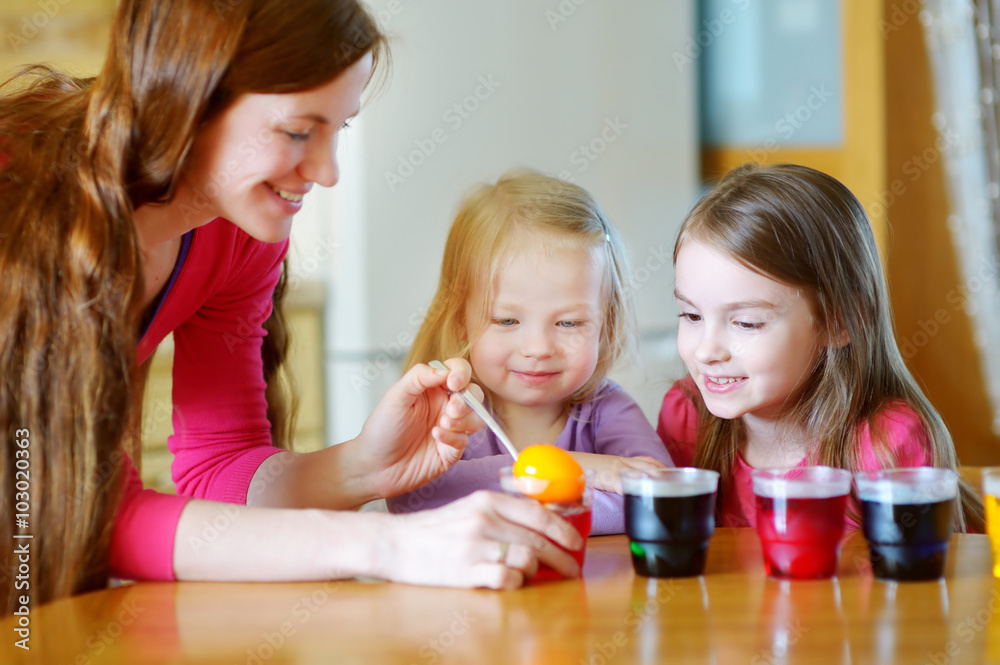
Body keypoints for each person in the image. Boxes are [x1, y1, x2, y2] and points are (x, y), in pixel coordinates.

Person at [0, 0, 583, 613]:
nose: (327, 172)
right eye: (299, 132)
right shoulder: (25, 197)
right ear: (192, 91)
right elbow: (88, 514)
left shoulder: (237, 236)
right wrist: (388, 544)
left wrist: (360, 467)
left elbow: (219, 474)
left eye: (339, 129)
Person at [657, 163, 984, 531]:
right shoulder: (686, 417)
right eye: (691, 315)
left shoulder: (885, 445)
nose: (706, 351)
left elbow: (914, 582)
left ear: (839, 320)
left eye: (746, 323)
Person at [388, 171, 673, 533]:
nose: (538, 349)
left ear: (605, 323)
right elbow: (414, 497)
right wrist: (572, 469)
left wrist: (507, 494)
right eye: (507, 321)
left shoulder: (607, 410)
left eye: (569, 323)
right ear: (460, 322)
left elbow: (662, 499)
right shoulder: (455, 414)